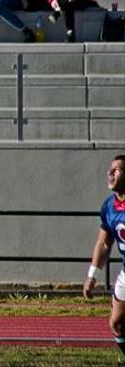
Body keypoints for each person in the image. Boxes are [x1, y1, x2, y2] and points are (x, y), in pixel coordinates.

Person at [83, 155, 125, 363]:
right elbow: (104, 243)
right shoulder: (109, 207)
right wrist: (92, 275)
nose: (111, 173)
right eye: (110, 169)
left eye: (117, 169)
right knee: (116, 323)